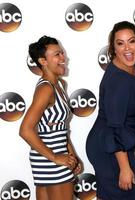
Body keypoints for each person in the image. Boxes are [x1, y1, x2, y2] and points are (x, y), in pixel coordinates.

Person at [86, 21, 135, 200]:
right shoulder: (117, 81)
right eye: (120, 43)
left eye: (131, 41)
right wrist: (124, 167)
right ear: (113, 48)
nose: (127, 48)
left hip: (121, 142)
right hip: (110, 145)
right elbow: (115, 127)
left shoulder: (134, 67)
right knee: (121, 193)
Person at [19, 36, 83, 200]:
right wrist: (55, 157)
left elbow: (59, 130)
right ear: (43, 61)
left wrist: (72, 155)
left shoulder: (60, 85)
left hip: (54, 157)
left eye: (62, 53)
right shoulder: (46, 89)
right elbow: (25, 130)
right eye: (57, 55)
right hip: (51, 160)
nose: (63, 58)